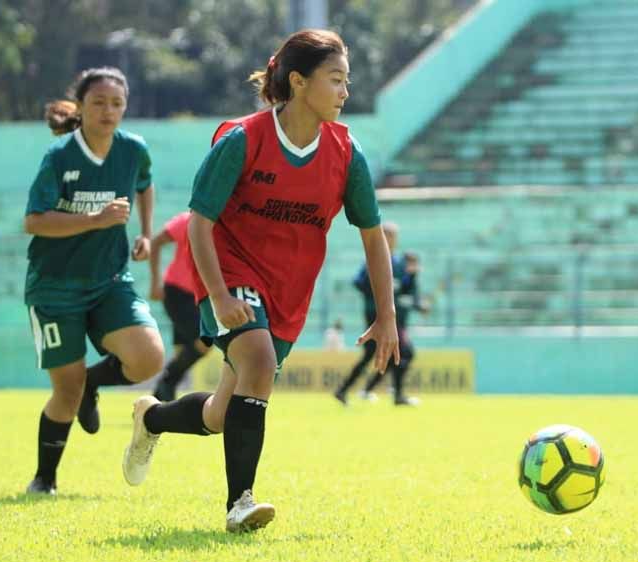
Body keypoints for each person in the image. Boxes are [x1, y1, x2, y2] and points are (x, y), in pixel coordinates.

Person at [121, 29, 399, 533]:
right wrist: (222, 295)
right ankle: (240, 503)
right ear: (297, 81)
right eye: (335, 79)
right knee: (259, 359)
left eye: (346, 81)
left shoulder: (345, 153)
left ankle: (152, 418)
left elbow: (373, 236)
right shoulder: (243, 140)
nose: (344, 92)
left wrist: (387, 315)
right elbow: (199, 226)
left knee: (220, 415)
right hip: (229, 270)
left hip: (289, 290)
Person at [23, 67, 165, 495]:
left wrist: (144, 232)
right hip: (54, 286)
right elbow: (34, 221)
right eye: (99, 103)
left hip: (110, 279)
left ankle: (95, 383)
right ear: (81, 106)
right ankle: (44, 479)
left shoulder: (133, 150)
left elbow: (145, 185)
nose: (108, 111)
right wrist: (96, 219)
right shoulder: (60, 156)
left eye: (117, 104)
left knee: (148, 358)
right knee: (65, 392)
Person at [333, 225, 428, 406]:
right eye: (388, 235)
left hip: (395, 318)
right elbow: (358, 282)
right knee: (402, 352)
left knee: (379, 355)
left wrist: (412, 279)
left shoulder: (399, 263)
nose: (391, 239)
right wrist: (376, 292)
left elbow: (404, 289)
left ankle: (346, 390)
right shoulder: (373, 259)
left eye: (393, 235)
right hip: (376, 316)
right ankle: (393, 395)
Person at [147, 211, 211, 401]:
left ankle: (164, 397)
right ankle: (166, 382)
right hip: (177, 292)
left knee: (183, 348)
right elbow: (156, 241)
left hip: (200, 296)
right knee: (205, 340)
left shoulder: (227, 226)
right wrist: (155, 281)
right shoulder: (189, 220)